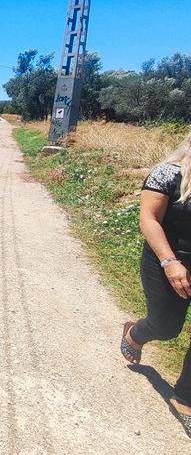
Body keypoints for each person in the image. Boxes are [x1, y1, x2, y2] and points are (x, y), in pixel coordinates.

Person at [121, 132, 191, 436]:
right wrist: (170, 263)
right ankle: (135, 333)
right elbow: (148, 219)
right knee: (166, 327)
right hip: (168, 260)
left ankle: (185, 397)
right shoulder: (168, 173)